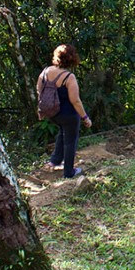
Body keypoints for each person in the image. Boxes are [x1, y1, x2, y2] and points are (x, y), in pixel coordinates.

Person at [36, 44, 92, 178]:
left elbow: (39, 91)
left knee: (62, 132)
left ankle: (55, 160)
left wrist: (40, 110)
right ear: (72, 59)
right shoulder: (69, 77)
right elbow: (75, 101)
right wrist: (85, 117)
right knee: (70, 141)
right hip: (68, 115)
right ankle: (69, 172)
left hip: (52, 113)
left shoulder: (45, 72)